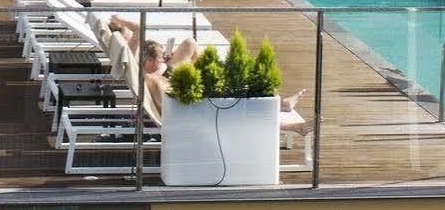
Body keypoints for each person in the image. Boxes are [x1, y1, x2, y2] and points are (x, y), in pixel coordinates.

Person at [105, 15, 313, 135]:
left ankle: (282, 106)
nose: (134, 39)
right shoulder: (137, 70)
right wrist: (122, 21)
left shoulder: (142, 73)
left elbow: (139, 36)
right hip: (187, 111)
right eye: (130, 38)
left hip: (188, 102)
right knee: (238, 108)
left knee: (238, 96)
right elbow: (140, 29)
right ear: (127, 44)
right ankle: (295, 124)